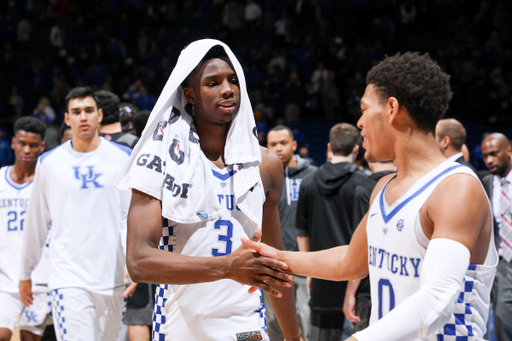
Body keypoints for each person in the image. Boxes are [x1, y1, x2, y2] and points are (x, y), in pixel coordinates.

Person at [243, 52, 497, 341]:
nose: (360, 122)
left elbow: (436, 298)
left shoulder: (457, 188)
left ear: (391, 109)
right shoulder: (383, 186)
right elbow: (350, 262)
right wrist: (276, 259)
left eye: (364, 109)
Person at [114, 39, 300, 341]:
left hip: (245, 323)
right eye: (212, 83)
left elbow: (274, 263)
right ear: (190, 95)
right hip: (181, 325)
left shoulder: (265, 164)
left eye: (233, 81)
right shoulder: (159, 160)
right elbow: (138, 261)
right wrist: (227, 267)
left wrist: (294, 337)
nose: (227, 89)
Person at [19, 87, 132, 341]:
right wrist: (25, 272)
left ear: (100, 115)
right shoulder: (49, 162)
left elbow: (129, 217)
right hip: (68, 278)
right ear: (67, 119)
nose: (83, 117)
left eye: (89, 111)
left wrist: (132, 263)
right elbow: (37, 222)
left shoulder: (123, 157)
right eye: (76, 112)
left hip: (112, 277)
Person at [295, 122, 369, 341]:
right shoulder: (364, 184)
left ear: (329, 148)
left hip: (322, 274)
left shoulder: (308, 182)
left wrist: (309, 271)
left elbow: (302, 232)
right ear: (356, 150)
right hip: (357, 278)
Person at [0, 117, 51, 341]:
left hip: (38, 277)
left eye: (33, 145)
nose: (27, 150)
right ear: (13, 143)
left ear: (42, 146)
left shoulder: (48, 182)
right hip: (4, 276)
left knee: (30, 338)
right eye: (22, 143)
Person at [266, 125, 317, 340]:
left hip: (304, 260)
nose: (278, 148)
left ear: (294, 145)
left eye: (283, 143)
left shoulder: (313, 175)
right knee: (273, 321)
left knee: (307, 318)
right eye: (273, 144)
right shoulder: (262, 175)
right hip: (274, 260)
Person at [343, 161, 396, 333]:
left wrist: (350, 293)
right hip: (399, 286)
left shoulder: (365, 188)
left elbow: (361, 251)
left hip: (369, 288)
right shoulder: (404, 184)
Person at [481, 133, 512, 341]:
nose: (489, 160)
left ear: (509, 151)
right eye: (485, 156)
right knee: (502, 317)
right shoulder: (485, 182)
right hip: (503, 262)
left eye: (494, 154)